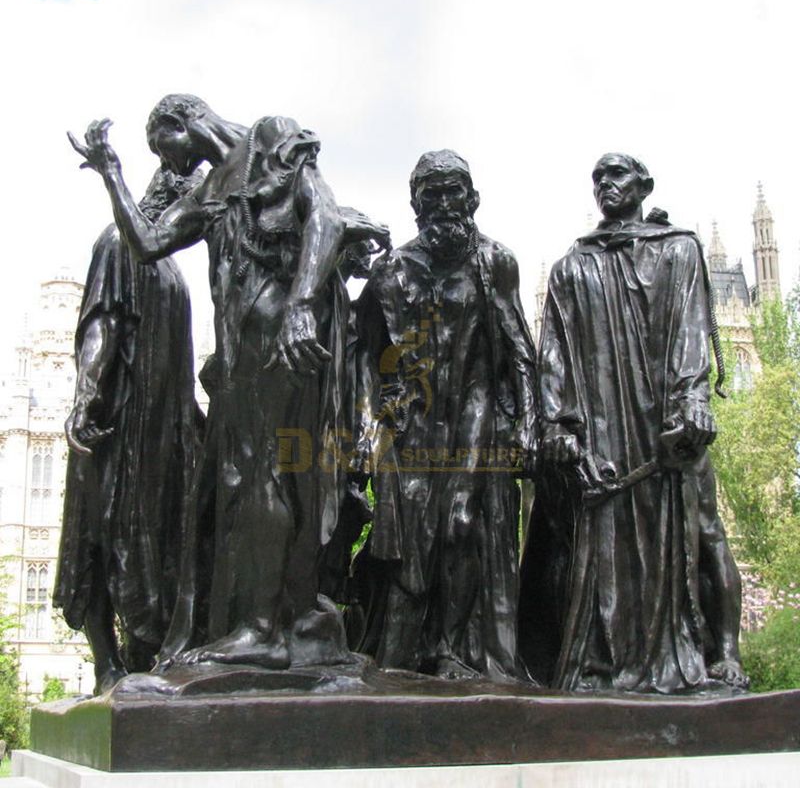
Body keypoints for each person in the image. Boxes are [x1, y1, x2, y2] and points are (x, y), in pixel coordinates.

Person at [68, 95, 390, 670]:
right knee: (262, 479)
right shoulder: (209, 187)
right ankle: (291, 619)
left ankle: (261, 631)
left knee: (263, 473)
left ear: (179, 122)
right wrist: (111, 174)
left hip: (279, 335)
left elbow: (326, 216)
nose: (166, 162)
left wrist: (301, 305)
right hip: (243, 349)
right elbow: (147, 242)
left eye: (161, 145)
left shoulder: (270, 136)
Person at [518, 153, 748, 693]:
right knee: (598, 550)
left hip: (669, 431)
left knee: (705, 536)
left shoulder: (680, 250)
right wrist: (557, 425)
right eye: (597, 178)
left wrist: (693, 400)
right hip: (606, 439)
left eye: (616, 175)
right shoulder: (573, 268)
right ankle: (606, 660)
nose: (605, 186)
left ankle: (722, 650)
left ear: (644, 185)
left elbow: (692, 331)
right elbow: (554, 355)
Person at [352, 150, 537, 680]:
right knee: (407, 546)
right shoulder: (390, 271)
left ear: (473, 198)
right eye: (430, 193)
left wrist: (528, 421)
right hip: (411, 426)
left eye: (453, 190)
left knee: (460, 524)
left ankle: (454, 650)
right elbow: (357, 348)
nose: (443, 203)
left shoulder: (494, 261)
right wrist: (367, 425)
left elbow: (518, 346)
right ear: (414, 204)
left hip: (475, 415)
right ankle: (399, 657)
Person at [54, 165, 202, 694]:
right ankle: (105, 664)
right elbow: (103, 321)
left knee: (158, 540)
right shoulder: (119, 242)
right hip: (119, 421)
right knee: (102, 534)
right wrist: (88, 395)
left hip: (166, 426)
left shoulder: (172, 270)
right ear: (169, 196)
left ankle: (147, 654)